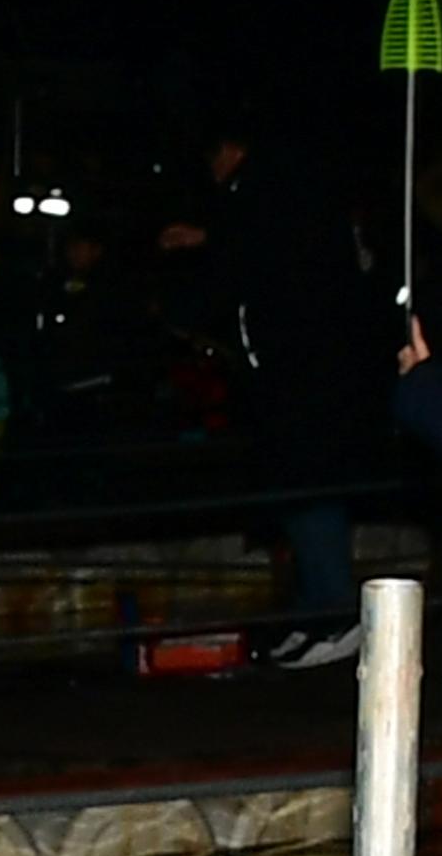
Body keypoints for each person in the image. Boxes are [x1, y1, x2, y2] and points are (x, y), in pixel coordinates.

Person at [161, 121, 393, 665]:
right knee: (295, 486)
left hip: (301, 368)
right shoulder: (287, 192)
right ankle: (314, 611)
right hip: (295, 367)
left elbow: (251, 259)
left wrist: (186, 301)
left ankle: (333, 613)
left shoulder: (263, 189)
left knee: (308, 484)